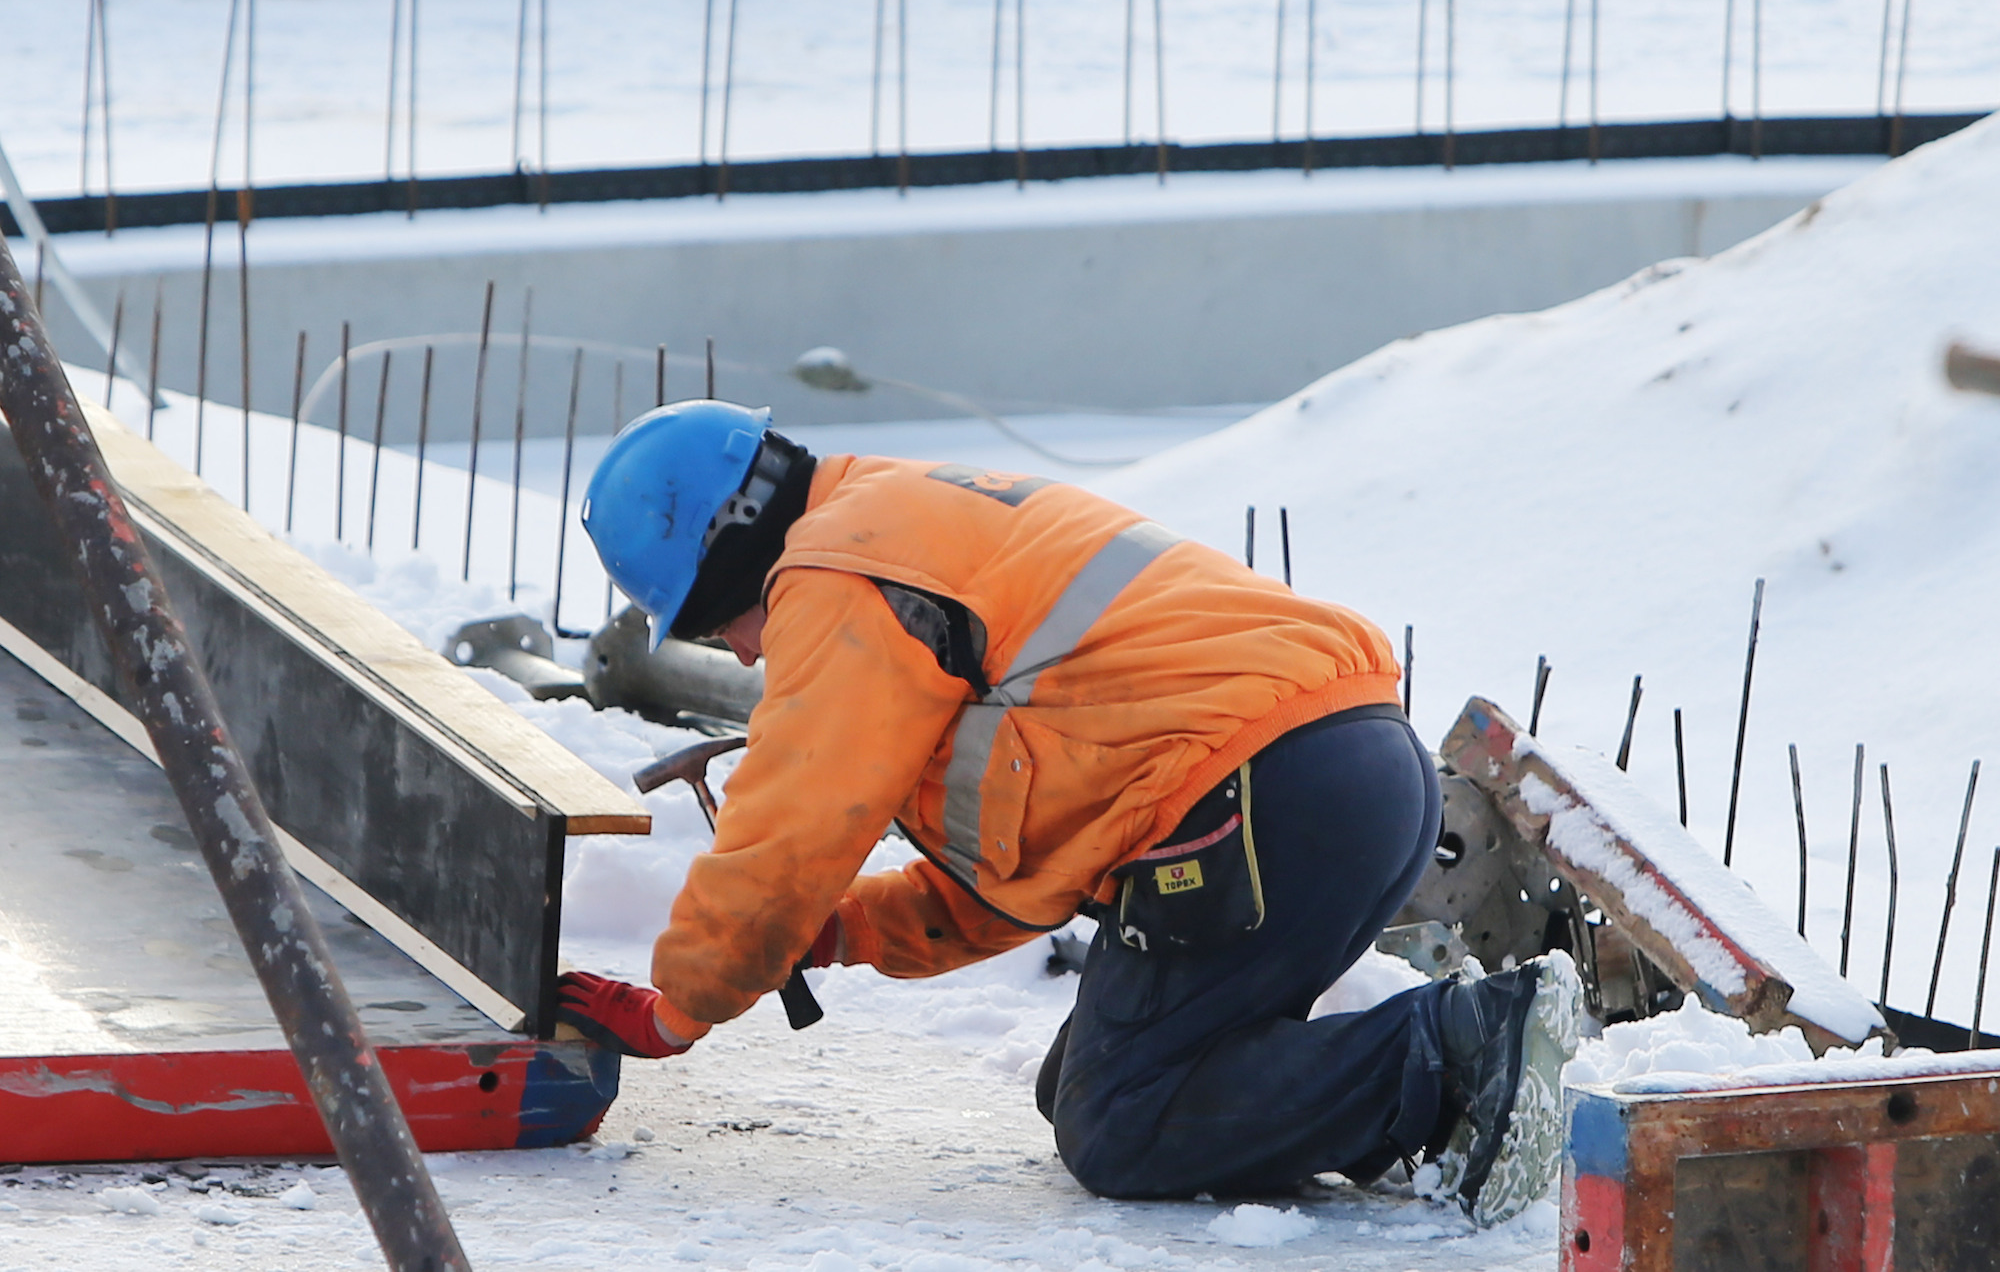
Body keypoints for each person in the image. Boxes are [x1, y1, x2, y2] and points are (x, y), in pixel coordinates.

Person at [555, 399, 1581, 1225]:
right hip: (1345, 770)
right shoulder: (897, 515)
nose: (740, 653)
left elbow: (783, 830)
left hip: (1254, 798)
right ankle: (1441, 1107)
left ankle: (1451, 1052)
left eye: (713, 620)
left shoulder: (834, 574)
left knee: (1123, 1124)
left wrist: (678, 1006)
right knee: (1087, 1087)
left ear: (730, 555)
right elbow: (1017, 870)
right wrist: (838, 930)